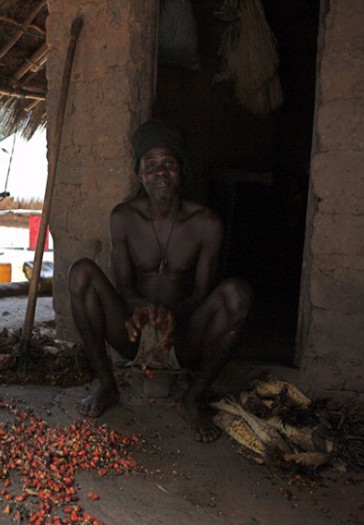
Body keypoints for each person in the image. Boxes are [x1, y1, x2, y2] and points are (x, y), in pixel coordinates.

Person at [68, 120, 252, 443]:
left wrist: (172, 316)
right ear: (140, 175)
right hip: (133, 333)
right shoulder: (123, 218)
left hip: (182, 337)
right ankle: (108, 386)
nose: (160, 172)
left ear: (182, 169)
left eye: (168, 163)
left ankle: (192, 398)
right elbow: (124, 287)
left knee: (239, 294)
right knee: (81, 272)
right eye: (150, 165)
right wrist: (140, 308)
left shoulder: (206, 223)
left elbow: (201, 293)